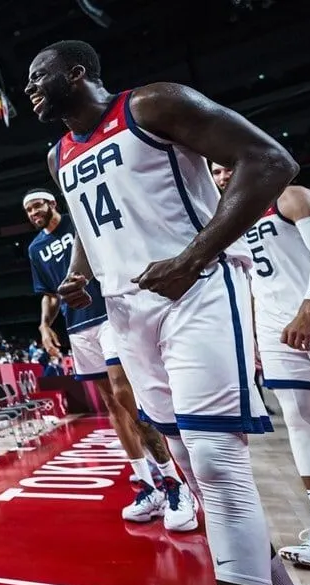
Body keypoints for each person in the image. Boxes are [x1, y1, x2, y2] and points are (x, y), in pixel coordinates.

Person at [27, 40, 310, 585]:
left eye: (39, 76)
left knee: (217, 463)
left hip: (199, 292)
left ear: (77, 72)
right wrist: (78, 276)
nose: (29, 88)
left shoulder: (153, 105)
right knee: (189, 461)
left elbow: (270, 161)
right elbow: (88, 219)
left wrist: (194, 256)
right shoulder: (58, 155)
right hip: (127, 311)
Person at [24, 188, 196, 531]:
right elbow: (49, 293)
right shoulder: (35, 248)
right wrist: (44, 325)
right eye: (28, 210)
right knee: (111, 405)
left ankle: (176, 484)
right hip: (77, 327)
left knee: (125, 394)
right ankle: (148, 485)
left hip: (108, 314)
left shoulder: (78, 224)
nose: (34, 213)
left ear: (52, 203)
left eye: (38, 205)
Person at [213, 168, 310, 569]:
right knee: (300, 422)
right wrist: (256, 339)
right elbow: (256, 283)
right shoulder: (232, 220)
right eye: (215, 171)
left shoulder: (292, 197)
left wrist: (309, 310)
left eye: (228, 166)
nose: (223, 176)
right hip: (280, 333)